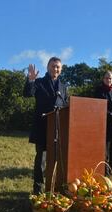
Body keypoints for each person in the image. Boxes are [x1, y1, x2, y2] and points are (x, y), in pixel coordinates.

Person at [23, 57, 69, 194]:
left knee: (58, 160)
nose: (56, 69)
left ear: (61, 70)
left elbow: (66, 105)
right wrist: (30, 80)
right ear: (48, 67)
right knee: (41, 160)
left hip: (59, 129)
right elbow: (27, 93)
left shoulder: (64, 86)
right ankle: (38, 189)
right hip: (43, 128)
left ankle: (55, 188)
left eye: (58, 67)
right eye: (53, 66)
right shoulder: (39, 82)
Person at [94, 71, 112, 175]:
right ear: (103, 79)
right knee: (105, 150)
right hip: (105, 124)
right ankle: (105, 170)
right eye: (107, 78)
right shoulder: (99, 91)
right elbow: (99, 107)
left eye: (110, 78)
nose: (109, 80)